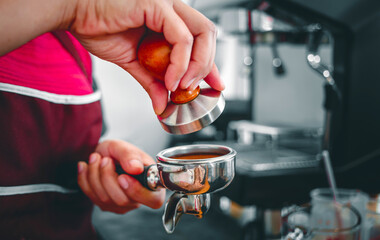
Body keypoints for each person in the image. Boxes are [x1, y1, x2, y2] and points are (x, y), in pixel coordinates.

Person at [0, 0, 225, 239]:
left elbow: (54, 151)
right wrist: (74, 8)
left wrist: (102, 165)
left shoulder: (74, 44)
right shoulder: (70, 14)